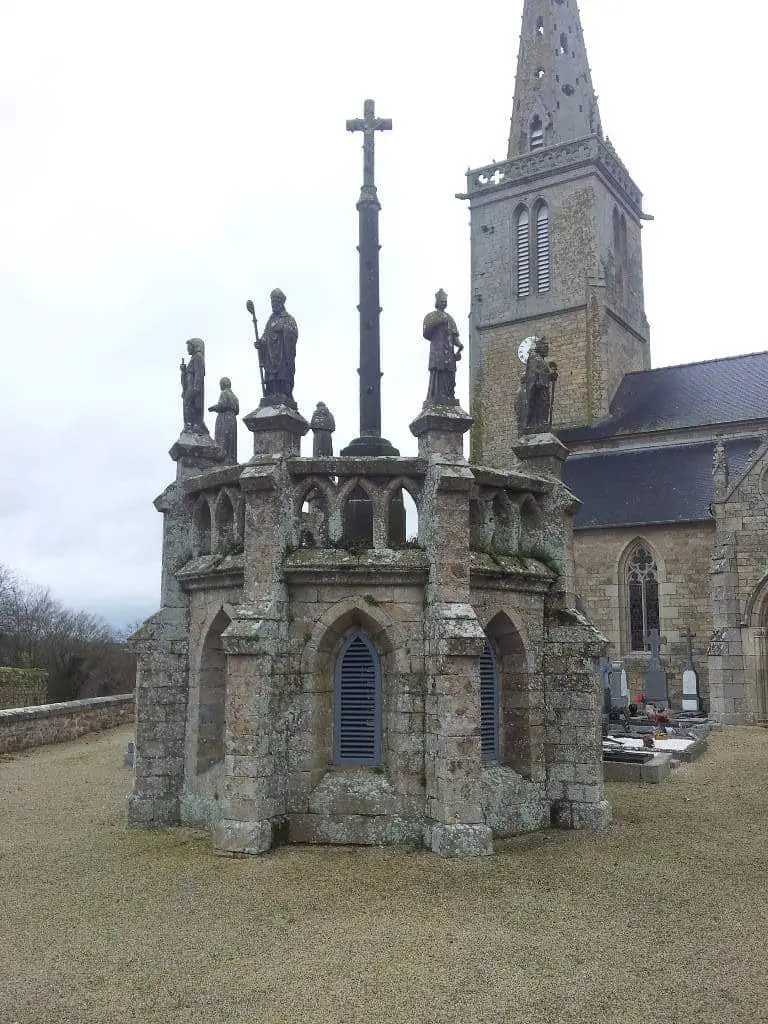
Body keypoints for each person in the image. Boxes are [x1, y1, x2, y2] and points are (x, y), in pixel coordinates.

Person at [254, 288, 298, 406]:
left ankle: (284, 393)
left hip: (283, 356)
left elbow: (293, 335)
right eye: (272, 303)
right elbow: (265, 335)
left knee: (282, 377)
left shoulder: (288, 319)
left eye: (276, 303)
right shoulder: (271, 320)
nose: (274, 305)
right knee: (271, 379)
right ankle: (271, 393)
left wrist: (284, 329)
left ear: (281, 303)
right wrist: (261, 342)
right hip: (270, 356)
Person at [422, 289, 464, 405]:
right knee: (438, 373)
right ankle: (436, 395)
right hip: (437, 351)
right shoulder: (431, 316)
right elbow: (426, 332)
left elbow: (455, 336)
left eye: (445, 301)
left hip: (449, 354)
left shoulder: (450, 318)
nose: (444, 303)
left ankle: (449, 396)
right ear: (437, 301)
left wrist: (459, 344)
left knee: (450, 377)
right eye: (442, 301)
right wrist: (439, 322)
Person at [520, 337, 557, 432]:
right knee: (541, 405)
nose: (547, 350)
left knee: (545, 405)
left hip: (543, 388)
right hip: (538, 390)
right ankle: (538, 424)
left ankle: (542, 423)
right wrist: (548, 376)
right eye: (545, 347)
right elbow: (534, 374)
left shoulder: (541, 360)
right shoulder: (534, 358)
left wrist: (551, 376)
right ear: (539, 347)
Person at [208, 377, 239, 463]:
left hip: (224, 418)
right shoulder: (235, 396)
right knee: (231, 438)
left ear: (223, 384)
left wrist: (213, 408)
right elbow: (237, 410)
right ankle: (231, 458)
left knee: (223, 438)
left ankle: (223, 458)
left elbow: (223, 405)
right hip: (233, 419)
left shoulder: (224, 393)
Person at [180, 338, 206, 432]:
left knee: (190, 406)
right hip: (190, 389)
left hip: (193, 389)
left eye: (189, 346)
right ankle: (189, 425)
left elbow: (199, 373)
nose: (187, 349)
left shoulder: (198, 357)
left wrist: (196, 389)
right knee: (187, 406)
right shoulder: (193, 358)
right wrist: (183, 371)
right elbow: (188, 377)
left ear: (194, 346)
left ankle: (192, 425)